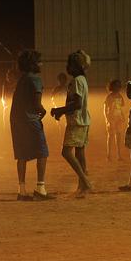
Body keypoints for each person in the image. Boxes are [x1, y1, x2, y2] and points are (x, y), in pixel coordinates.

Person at [9, 50, 52, 201]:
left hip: (16, 119)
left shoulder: (22, 79)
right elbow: (37, 104)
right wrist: (45, 112)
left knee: (21, 155)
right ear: (33, 64)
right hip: (30, 120)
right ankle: (41, 188)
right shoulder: (35, 80)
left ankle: (22, 190)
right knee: (42, 152)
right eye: (39, 61)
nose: (41, 64)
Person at [50, 50, 93, 198]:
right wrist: (62, 112)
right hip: (83, 121)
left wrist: (59, 110)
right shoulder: (82, 80)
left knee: (66, 152)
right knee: (80, 153)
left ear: (77, 66)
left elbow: (77, 104)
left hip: (76, 122)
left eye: (70, 64)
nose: (67, 67)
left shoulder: (76, 81)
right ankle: (82, 187)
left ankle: (85, 181)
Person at [104, 79, 126, 161]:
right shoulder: (109, 97)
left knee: (119, 136)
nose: (118, 87)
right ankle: (109, 155)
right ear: (112, 87)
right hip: (112, 118)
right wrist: (107, 119)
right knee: (111, 136)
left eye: (119, 86)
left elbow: (120, 108)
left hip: (118, 118)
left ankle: (119, 155)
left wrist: (122, 116)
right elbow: (105, 108)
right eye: (116, 85)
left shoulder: (120, 96)